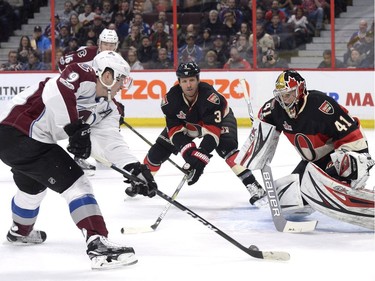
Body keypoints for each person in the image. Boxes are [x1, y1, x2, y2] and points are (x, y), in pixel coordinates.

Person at [0, 51, 157, 270]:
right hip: (16, 132)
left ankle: (20, 231)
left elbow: (111, 142)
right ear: (108, 75)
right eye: (121, 79)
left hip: (20, 143)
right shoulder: (82, 73)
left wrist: (135, 168)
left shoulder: (108, 108)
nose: (123, 85)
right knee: (78, 184)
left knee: (32, 187)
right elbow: (57, 93)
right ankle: (97, 243)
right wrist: (75, 129)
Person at [126, 62, 267, 206]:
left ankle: (255, 187)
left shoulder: (211, 98)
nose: (189, 85)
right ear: (179, 82)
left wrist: (200, 156)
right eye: (185, 81)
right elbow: (175, 132)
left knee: (227, 149)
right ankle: (141, 181)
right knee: (159, 150)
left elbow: (212, 133)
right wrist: (189, 153)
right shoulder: (170, 101)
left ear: (198, 80)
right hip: (188, 125)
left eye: (192, 80)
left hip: (220, 121)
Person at [244, 69, 374, 220]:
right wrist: (259, 127)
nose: (284, 99)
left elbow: (350, 134)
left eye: (288, 94)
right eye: (280, 95)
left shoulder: (320, 105)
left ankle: (353, 182)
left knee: (345, 166)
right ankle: (330, 187)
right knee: (289, 202)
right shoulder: (275, 109)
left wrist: (356, 159)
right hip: (315, 161)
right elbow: (262, 122)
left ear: (300, 90)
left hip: (343, 151)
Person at [58, 28, 120, 175]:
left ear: (116, 45)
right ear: (99, 43)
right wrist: (72, 84)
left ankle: (101, 154)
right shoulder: (87, 53)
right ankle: (79, 156)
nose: (109, 48)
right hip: (80, 94)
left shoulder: (116, 59)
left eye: (112, 45)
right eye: (106, 44)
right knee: (85, 121)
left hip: (96, 94)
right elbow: (62, 63)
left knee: (113, 114)